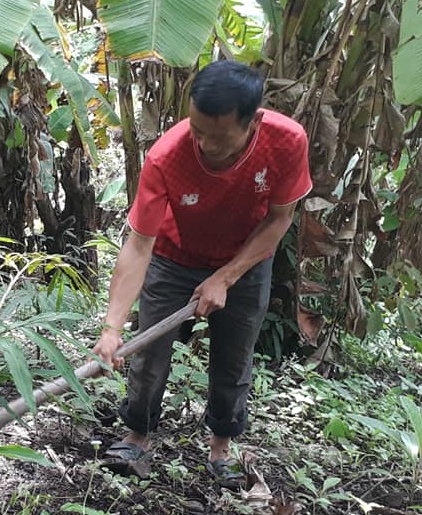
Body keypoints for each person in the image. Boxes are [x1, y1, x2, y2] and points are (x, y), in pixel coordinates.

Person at [92, 60, 312, 486]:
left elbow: (279, 220)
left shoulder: (286, 142)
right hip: (174, 258)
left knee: (233, 359)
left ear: (253, 122)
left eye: (219, 136)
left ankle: (221, 447)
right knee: (148, 357)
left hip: (247, 262)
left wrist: (226, 277)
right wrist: (111, 327)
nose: (204, 144)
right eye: (197, 130)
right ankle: (137, 436)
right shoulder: (166, 156)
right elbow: (139, 245)